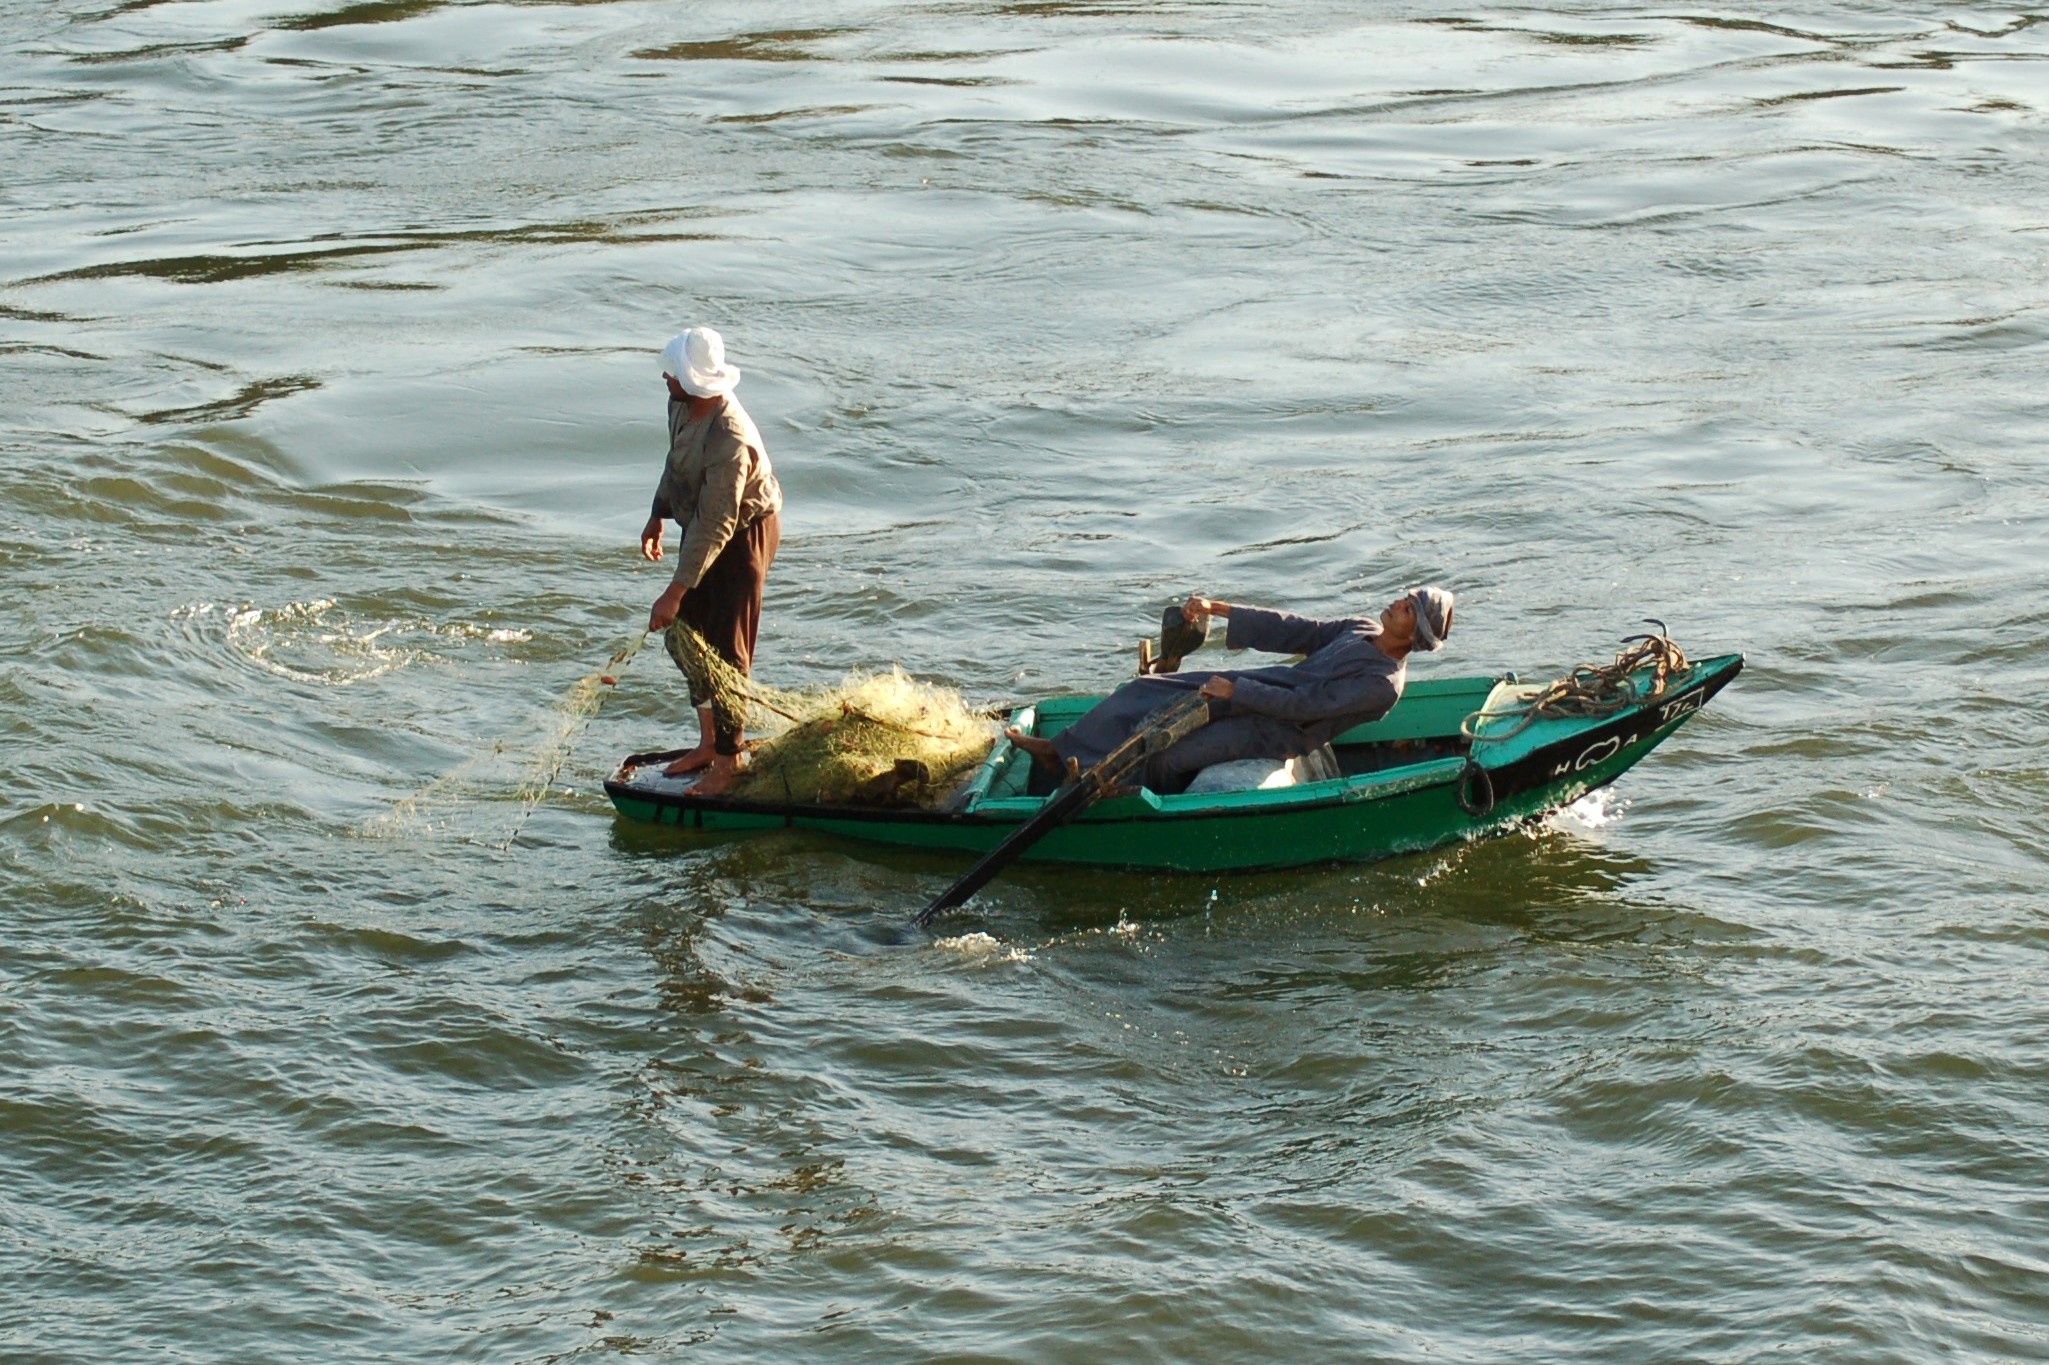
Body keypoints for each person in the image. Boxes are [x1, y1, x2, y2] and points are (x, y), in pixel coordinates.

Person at [1007, 587, 1454, 795]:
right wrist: (1217, 608)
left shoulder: (1383, 684)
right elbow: (1296, 630)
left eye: (1408, 608)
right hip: (1260, 689)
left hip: (1276, 731)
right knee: (1145, 689)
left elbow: (1304, 707)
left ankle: (1127, 797)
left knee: (1168, 756)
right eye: (1405, 599)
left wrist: (1234, 692)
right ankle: (1057, 751)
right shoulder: (1362, 628)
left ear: (1414, 633)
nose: (1397, 603)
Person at [641, 327, 783, 796]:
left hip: (743, 534)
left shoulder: (729, 436)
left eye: (673, 371)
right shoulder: (680, 404)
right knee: (686, 641)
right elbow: (675, 462)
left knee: (726, 650)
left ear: (693, 377)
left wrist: (675, 591)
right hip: (702, 522)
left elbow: (718, 524)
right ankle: (709, 743)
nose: (665, 376)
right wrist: (657, 515)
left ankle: (730, 760)